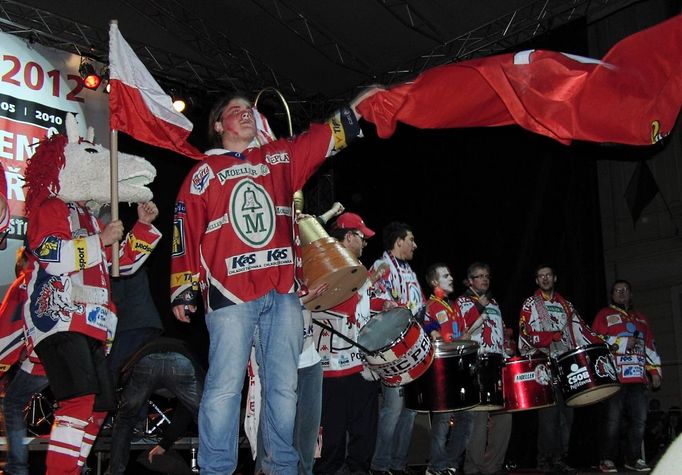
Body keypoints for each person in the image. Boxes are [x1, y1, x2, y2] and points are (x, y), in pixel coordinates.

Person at [170, 88, 378, 474]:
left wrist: (359, 103)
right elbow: (185, 227)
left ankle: (281, 467)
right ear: (218, 125)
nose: (246, 114)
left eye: (250, 109)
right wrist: (183, 286)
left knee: (284, 388)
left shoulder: (278, 157)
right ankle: (216, 469)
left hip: (282, 292)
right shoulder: (203, 172)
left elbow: (325, 137)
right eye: (236, 111)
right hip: (229, 294)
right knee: (224, 388)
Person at [312, 211, 387, 475]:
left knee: (364, 439)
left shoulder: (360, 271)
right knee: (329, 444)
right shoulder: (325, 266)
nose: (365, 243)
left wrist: (386, 305)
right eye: (362, 238)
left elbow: (364, 307)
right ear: (349, 237)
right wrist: (365, 284)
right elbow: (333, 306)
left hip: (362, 368)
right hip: (331, 369)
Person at [518, 265, 603, 473]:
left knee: (568, 415)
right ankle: (545, 460)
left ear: (554, 278)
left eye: (548, 275)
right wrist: (549, 337)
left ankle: (560, 457)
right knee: (549, 415)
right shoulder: (530, 304)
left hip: (566, 364)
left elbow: (581, 329)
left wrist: (601, 343)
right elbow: (525, 333)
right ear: (536, 281)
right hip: (543, 363)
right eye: (541, 276)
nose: (545, 279)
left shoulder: (566, 304)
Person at [369, 222, 425, 475]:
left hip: (411, 347)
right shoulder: (382, 267)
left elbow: (420, 308)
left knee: (410, 409)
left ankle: (398, 464)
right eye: (411, 239)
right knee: (392, 409)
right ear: (398, 241)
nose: (415, 245)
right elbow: (369, 300)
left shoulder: (410, 272)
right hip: (391, 348)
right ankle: (380, 465)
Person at [592, 280, 662, 473]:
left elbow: (650, 347)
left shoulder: (641, 318)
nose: (621, 293)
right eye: (617, 291)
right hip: (614, 376)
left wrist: (655, 371)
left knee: (639, 421)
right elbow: (593, 339)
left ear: (631, 294)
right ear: (611, 295)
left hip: (637, 378)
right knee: (612, 421)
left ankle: (633, 458)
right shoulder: (604, 315)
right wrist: (621, 343)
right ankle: (607, 459)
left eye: (625, 290)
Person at [108, 337, 205, 475]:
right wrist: (166, 443)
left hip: (146, 359)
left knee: (125, 419)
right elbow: (187, 411)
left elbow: (123, 374)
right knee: (206, 417)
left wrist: (121, 400)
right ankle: (213, 468)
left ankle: (115, 472)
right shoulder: (190, 357)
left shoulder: (143, 350)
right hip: (180, 361)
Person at [457, 263, 512, 475]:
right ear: (470, 281)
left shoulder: (494, 302)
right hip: (476, 363)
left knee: (504, 415)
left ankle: (493, 467)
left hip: (498, 362)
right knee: (477, 418)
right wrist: (478, 307)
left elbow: (497, 332)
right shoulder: (462, 302)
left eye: (487, 276)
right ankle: (473, 468)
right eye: (479, 277)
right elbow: (461, 329)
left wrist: (506, 349)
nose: (484, 280)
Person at [0, 248, 49, 475]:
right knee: (71, 407)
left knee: (11, 403)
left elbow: (7, 328)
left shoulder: (23, 283)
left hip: (43, 358)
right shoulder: (58, 278)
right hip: (75, 355)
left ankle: (17, 467)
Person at [420, 263, 472, 475]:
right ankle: (436, 466)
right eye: (445, 275)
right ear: (434, 282)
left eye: (450, 274)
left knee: (466, 420)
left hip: (457, 369)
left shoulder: (452, 306)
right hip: (441, 370)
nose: (451, 278)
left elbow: (457, 336)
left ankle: (450, 463)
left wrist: (462, 339)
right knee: (442, 421)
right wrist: (441, 336)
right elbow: (430, 330)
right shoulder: (430, 306)